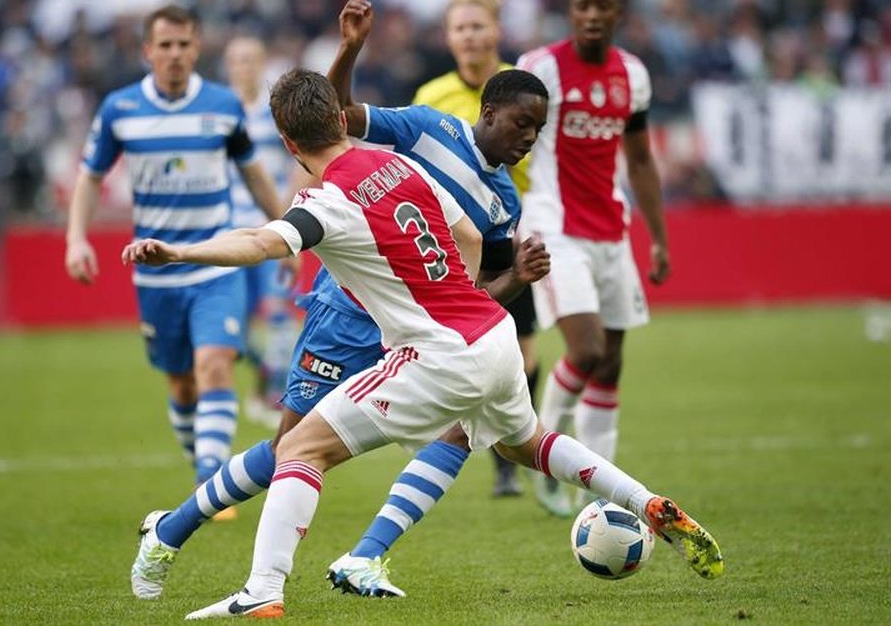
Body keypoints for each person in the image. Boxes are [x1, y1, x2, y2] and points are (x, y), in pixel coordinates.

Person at [122, 66, 723, 620]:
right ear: (339, 121)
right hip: (491, 331)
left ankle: (262, 591)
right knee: (525, 443)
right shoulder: (402, 168)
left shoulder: (324, 202)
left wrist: (179, 251)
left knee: (300, 449)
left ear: (288, 142)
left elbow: (258, 243)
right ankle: (644, 500)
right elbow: (462, 229)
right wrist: (456, 294)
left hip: (438, 352)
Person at [126, 0, 551, 601]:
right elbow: (335, 116)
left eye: (537, 129)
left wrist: (491, 288)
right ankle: (173, 530)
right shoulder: (427, 130)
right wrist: (349, 49)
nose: (528, 138)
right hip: (348, 314)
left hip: (425, 331)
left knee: (462, 427)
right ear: (490, 112)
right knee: (288, 450)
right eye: (522, 125)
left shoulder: (505, 202)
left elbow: (467, 275)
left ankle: (364, 558)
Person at [64, 6, 284, 491]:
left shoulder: (223, 106)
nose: (175, 54)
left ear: (197, 48)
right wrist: (77, 238)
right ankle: (200, 460)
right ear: (148, 51)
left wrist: (287, 231)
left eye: (184, 44)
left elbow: (254, 175)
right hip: (156, 272)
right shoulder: (121, 110)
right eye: (165, 45)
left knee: (216, 362)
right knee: (182, 382)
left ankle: (211, 481)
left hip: (214, 261)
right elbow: (90, 177)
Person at [515, 0, 671, 516]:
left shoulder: (632, 74)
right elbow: (508, 136)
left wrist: (658, 238)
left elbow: (642, 158)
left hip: (612, 230)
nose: (592, 15)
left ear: (618, 12)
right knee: (586, 350)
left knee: (611, 364)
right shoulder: (541, 69)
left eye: (603, 5)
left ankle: (599, 493)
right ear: (571, 10)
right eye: (583, 5)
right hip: (554, 228)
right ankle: (544, 449)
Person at [411, 0, 537, 497]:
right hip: (450, 244)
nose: (469, 36)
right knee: (469, 348)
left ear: (495, 32)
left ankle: (508, 456)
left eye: (477, 26)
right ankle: (469, 444)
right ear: (448, 37)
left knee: (524, 355)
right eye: (460, 28)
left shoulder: (525, 90)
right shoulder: (430, 98)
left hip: (511, 233)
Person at [221, 35, 300, 428]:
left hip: (271, 229)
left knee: (279, 314)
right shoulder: (220, 114)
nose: (244, 67)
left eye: (251, 59)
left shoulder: (275, 114)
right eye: (237, 60)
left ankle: (275, 393)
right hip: (228, 234)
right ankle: (262, 378)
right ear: (228, 66)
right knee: (232, 323)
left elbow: (298, 164)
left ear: (262, 62)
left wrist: (284, 213)